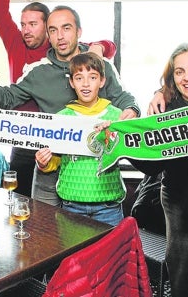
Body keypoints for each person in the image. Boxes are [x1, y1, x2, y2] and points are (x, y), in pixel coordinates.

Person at [0, 5, 139, 206]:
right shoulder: (37, 71)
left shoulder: (99, 65)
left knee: (92, 231)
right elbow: (8, 98)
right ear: (48, 35)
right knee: (44, 228)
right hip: (49, 162)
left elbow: (123, 98)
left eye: (66, 28)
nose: (60, 36)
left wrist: (132, 110)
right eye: (53, 30)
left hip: (91, 169)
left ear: (79, 32)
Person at [0, 0, 116, 197]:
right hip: (23, 136)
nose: (26, 30)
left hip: (60, 138)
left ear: (48, 29)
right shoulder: (16, 43)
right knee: (17, 198)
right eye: (23, 24)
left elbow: (107, 46)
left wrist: (100, 46)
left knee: (57, 202)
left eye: (33, 24)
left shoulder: (63, 48)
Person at [132, 42, 188, 297]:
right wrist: (123, 144)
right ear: (172, 76)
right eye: (179, 72)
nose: (187, 77)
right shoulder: (164, 108)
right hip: (180, 200)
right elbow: (152, 166)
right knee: (182, 270)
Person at [34, 53, 125, 226]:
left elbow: (129, 153)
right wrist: (43, 163)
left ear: (102, 81)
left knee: (111, 253)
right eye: (79, 77)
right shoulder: (62, 117)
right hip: (71, 205)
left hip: (109, 206)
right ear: (71, 82)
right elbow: (56, 161)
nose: (85, 83)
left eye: (92, 77)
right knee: (75, 253)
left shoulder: (116, 116)